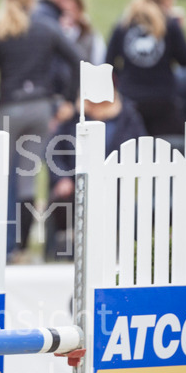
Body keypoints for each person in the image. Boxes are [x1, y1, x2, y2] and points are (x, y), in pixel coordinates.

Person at [0, 0, 81, 259]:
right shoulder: (46, 27)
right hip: (41, 109)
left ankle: (2, 244)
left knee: (1, 176)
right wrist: (68, 100)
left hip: (10, 109)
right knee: (27, 179)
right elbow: (77, 58)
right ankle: (21, 247)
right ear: (31, 1)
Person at [45, 85, 146, 260]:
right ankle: (62, 250)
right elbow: (53, 152)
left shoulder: (128, 116)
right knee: (62, 200)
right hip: (75, 183)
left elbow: (139, 147)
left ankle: (128, 251)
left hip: (116, 184)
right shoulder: (72, 117)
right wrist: (62, 178)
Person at [105, 0, 186, 138]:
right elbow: (185, 60)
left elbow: (108, 63)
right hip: (163, 100)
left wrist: (123, 78)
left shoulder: (122, 27)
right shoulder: (169, 26)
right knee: (170, 147)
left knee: (129, 147)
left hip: (130, 98)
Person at [60, 0, 106, 65]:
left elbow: (99, 61)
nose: (69, 15)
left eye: (72, 10)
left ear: (79, 11)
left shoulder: (91, 37)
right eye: (65, 11)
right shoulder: (55, 34)